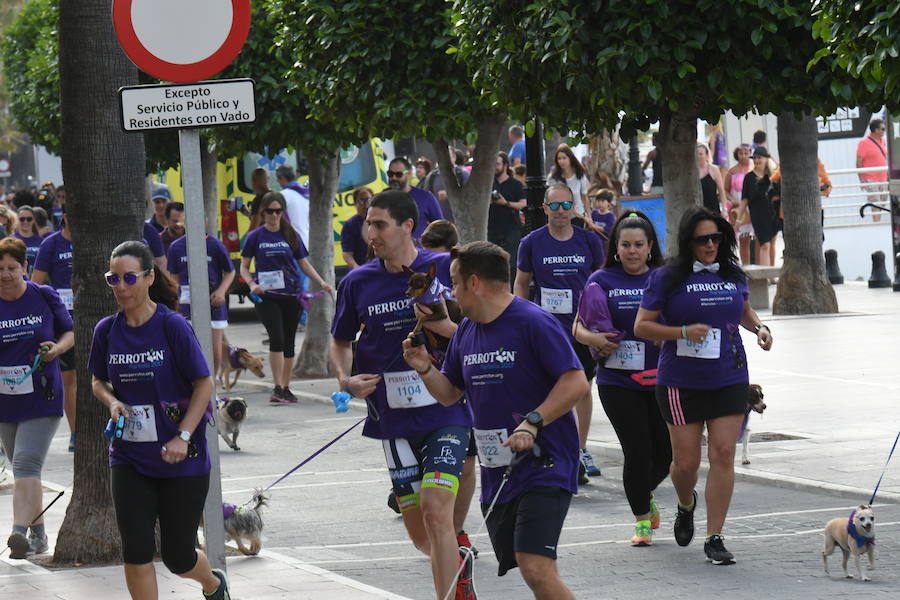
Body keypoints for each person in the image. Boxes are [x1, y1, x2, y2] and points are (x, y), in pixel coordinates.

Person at [403, 240, 586, 600]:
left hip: (544, 462)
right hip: (498, 469)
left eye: (454, 283)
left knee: (534, 566)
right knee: (537, 569)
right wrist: (424, 367)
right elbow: (450, 393)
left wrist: (533, 421)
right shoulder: (468, 331)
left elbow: (575, 380)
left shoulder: (533, 322)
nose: (451, 293)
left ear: (474, 283)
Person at [330, 190, 475, 600]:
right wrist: (346, 380)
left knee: (435, 510)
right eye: (368, 223)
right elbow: (340, 342)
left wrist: (446, 325)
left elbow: (482, 321)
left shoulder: (445, 267)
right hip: (391, 419)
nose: (370, 232)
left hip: (446, 406)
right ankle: (459, 562)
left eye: (379, 224)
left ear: (407, 226)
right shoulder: (358, 282)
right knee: (422, 537)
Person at [87, 241, 230, 600]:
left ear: (149, 277)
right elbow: (97, 380)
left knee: (178, 556)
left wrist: (182, 435)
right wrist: (112, 401)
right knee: (135, 550)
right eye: (113, 279)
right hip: (130, 455)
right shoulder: (106, 330)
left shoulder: (172, 327)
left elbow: (204, 383)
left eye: (129, 278)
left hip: (182, 458)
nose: (121, 286)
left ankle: (212, 584)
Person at [633, 207, 773, 565]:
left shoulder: (732, 273)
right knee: (685, 464)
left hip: (729, 376)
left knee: (724, 453)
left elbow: (742, 308)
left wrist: (759, 328)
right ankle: (685, 503)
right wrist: (681, 332)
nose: (710, 245)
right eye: (702, 240)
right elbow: (642, 327)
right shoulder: (667, 277)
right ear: (688, 242)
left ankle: (715, 537)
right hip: (681, 382)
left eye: (716, 238)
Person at [573, 212, 671, 546]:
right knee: (637, 451)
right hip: (618, 382)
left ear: (649, 247)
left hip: (661, 379)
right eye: (625, 244)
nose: (631, 251)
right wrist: (594, 340)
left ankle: (644, 494)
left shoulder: (663, 277)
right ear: (616, 247)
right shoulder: (601, 278)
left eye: (638, 245)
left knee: (665, 456)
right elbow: (578, 326)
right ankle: (642, 520)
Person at [514, 184, 606, 483]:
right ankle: (554, 448)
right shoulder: (531, 243)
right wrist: (523, 318)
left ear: (573, 207)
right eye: (554, 206)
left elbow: (602, 280)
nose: (561, 212)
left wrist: (604, 320)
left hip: (582, 328)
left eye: (566, 205)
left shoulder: (589, 241)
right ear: (544, 209)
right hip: (547, 329)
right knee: (550, 389)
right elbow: (521, 283)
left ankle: (580, 449)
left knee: (581, 387)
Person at [1, 237, 74, 559]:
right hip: (6, 399)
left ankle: (18, 532)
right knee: (25, 473)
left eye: (12, 268)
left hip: (42, 393)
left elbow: (69, 333)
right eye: (0, 269)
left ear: (25, 268)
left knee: (25, 463)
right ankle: (40, 535)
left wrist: (55, 350)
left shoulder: (43, 295)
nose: (5, 274)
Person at [240, 192, 332, 404]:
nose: (273, 215)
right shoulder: (255, 236)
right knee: (277, 338)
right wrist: (252, 284)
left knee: (289, 341)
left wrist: (321, 282)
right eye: (269, 211)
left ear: (283, 212)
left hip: (291, 295)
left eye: (277, 211)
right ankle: (277, 387)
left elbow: (304, 264)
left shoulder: (291, 234)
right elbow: (244, 267)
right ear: (263, 212)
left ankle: (285, 387)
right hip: (266, 296)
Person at [31, 214, 77, 452]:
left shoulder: (89, 241)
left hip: (91, 315)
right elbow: (35, 282)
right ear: (65, 218)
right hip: (63, 318)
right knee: (69, 379)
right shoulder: (51, 244)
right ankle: (75, 432)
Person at [166, 229, 236, 376]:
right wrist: (176, 301)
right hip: (186, 307)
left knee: (215, 354)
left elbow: (230, 271)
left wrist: (221, 291)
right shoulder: (176, 246)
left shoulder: (215, 244)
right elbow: (173, 277)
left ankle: (212, 390)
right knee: (190, 351)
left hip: (213, 305)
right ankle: (193, 390)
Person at [488, 152, 527, 287]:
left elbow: (523, 203)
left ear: (505, 165)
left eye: (497, 164)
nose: (495, 167)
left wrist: (506, 203)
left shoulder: (515, 184)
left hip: (511, 228)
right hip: (492, 228)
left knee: (512, 263)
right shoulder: (488, 184)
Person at [386, 156, 443, 240]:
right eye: (390, 174)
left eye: (398, 174)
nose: (394, 178)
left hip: (420, 251)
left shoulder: (425, 197)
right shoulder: (381, 198)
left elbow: (441, 228)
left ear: (409, 173)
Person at [739, 147, 778, 266]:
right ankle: (765, 275)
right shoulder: (749, 177)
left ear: (766, 159)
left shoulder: (772, 176)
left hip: (773, 213)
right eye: (754, 158)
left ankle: (771, 275)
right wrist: (738, 219)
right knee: (764, 244)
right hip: (758, 214)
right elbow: (744, 199)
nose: (756, 160)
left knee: (771, 243)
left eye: (759, 158)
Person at [548, 144, 593, 228]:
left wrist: (589, 217)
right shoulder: (553, 178)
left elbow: (584, 197)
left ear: (570, 158)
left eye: (564, 158)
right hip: (560, 218)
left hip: (578, 218)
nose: (561, 161)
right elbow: (552, 200)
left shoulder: (580, 175)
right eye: (559, 158)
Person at [725, 145, 753, 264]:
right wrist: (732, 200)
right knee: (743, 239)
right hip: (738, 207)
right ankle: (746, 266)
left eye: (746, 153)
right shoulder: (732, 171)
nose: (743, 156)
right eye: (741, 153)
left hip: (752, 206)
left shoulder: (753, 169)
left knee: (756, 239)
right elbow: (725, 190)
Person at [856, 119, 888, 223]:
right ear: (876, 130)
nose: (884, 131)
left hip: (883, 177)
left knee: (882, 202)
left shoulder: (883, 141)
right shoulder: (864, 143)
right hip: (871, 178)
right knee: (875, 202)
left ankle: (878, 222)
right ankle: (876, 224)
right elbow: (858, 162)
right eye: (883, 129)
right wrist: (861, 180)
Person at [275, 165, 310, 248]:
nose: (277, 181)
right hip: (306, 242)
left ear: (282, 178)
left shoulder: (282, 196)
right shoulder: (305, 194)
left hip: (291, 244)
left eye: (278, 179)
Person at [340, 187, 374, 269]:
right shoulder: (350, 225)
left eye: (368, 200)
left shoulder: (379, 220)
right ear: (355, 204)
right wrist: (357, 267)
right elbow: (347, 253)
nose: (366, 205)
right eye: (361, 201)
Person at [697, 144, 729, 217]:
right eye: (696, 154)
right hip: (698, 209)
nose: (698, 156)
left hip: (713, 208)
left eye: (701, 154)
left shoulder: (714, 169)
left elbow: (721, 190)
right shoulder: (692, 171)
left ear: (707, 155)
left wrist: (724, 209)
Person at [13, 205, 43, 276]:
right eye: (22, 219)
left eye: (29, 219)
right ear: (17, 220)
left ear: (34, 220)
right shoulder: (11, 241)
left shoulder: (42, 241)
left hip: (37, 282)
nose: (25, 222)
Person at [589, 188, 616, 254]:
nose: (600, 203)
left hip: (605, 242)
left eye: (603, 201)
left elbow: (608, 229)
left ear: (608, 203)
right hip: (594, 240)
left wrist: (594, 226)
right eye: (598, 201)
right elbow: (589, 226)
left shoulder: (610, 216)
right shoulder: (594, 213)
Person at [244, 167, 270, 233]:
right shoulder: (277, 196)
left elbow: (254, 226)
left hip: (264, 238)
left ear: (254, 181)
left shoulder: (259, 200)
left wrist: (247, 240)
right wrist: (248, 213)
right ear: (268, 179)